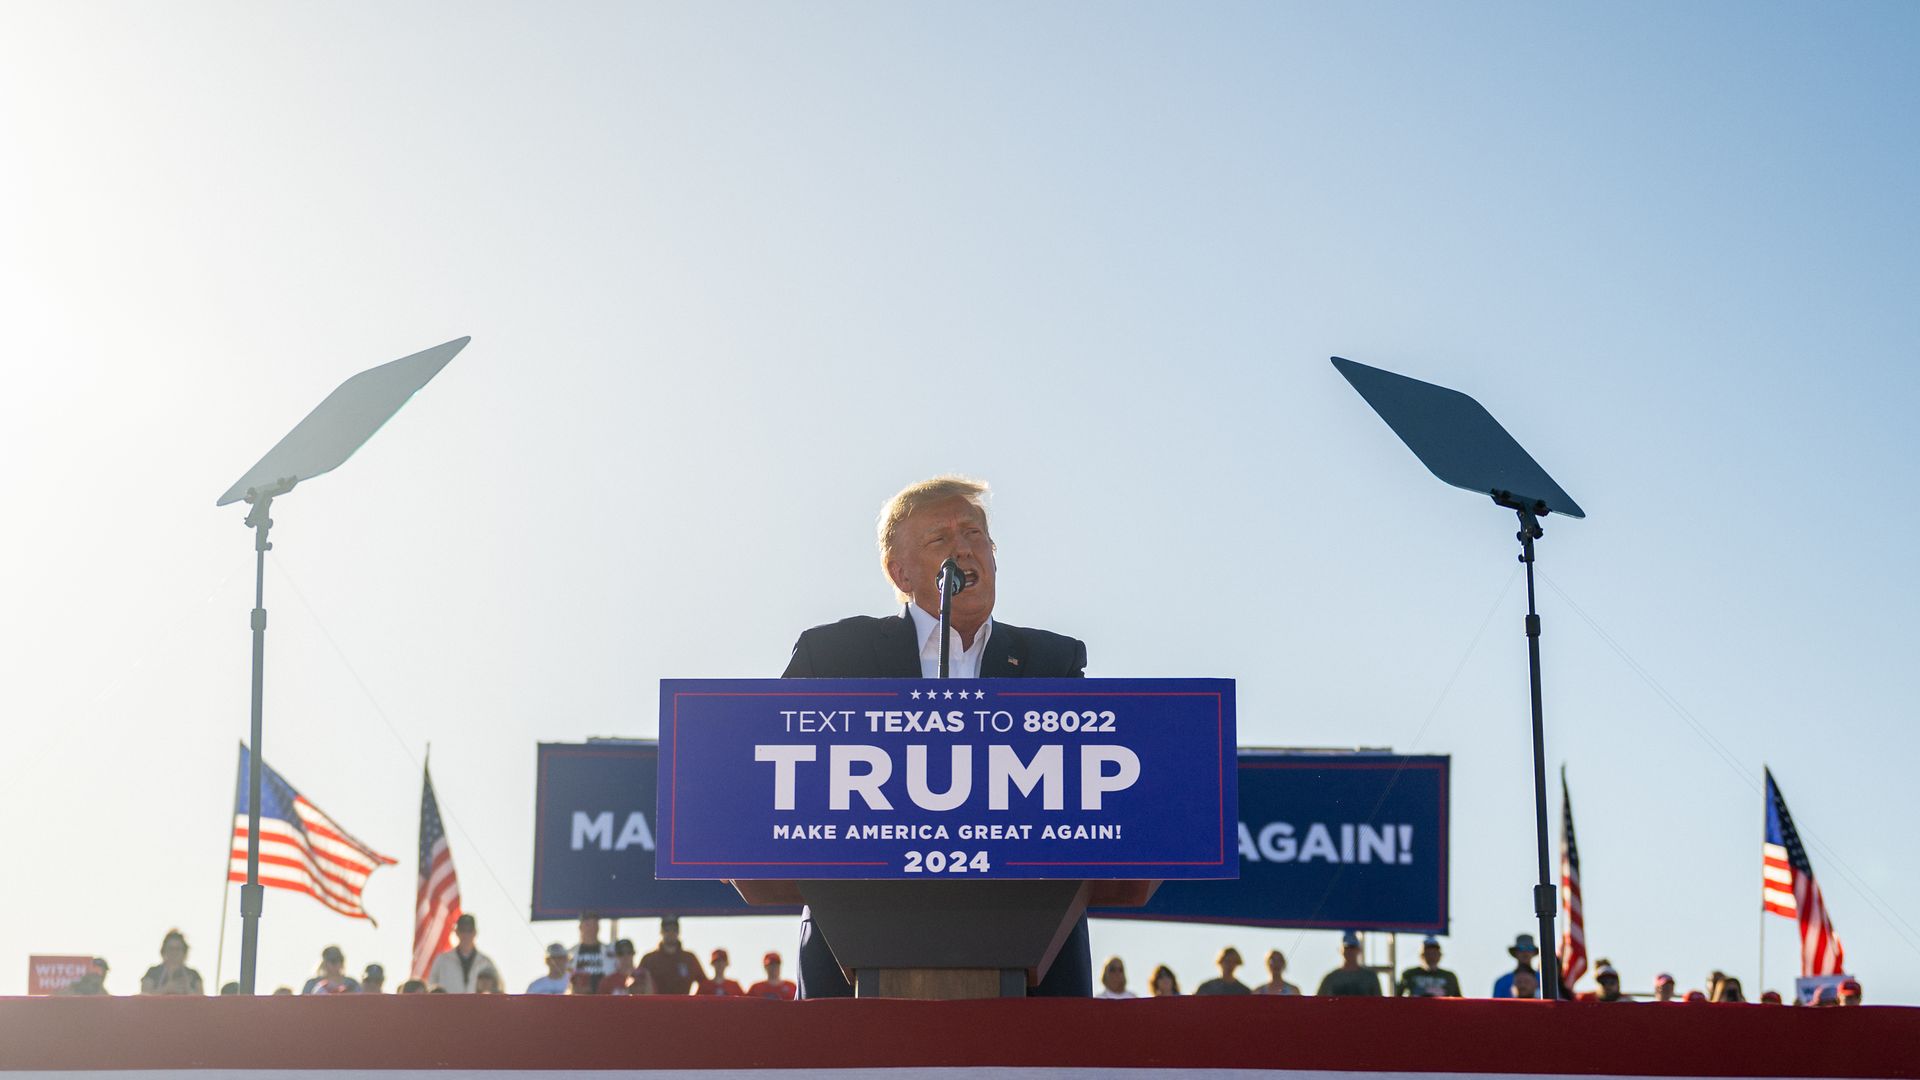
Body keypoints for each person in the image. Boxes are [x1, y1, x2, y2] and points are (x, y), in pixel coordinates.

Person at [782, 476, 1092, 999]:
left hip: (1036, 954)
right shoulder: (835, 656)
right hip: (855, 946)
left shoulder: (1052, 663)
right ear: (898, 571)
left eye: (975, 534)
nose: (965, 547)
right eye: (940, 539)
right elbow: (767, 774)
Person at [427, 914, 500, 993]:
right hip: (449, 1005)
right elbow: (431, 987)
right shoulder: (442, 960)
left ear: (475, 933)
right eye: (462, 930)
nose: (466, 935)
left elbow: (497, 989)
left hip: (477, 1005)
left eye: (469, 931)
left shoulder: (486, 963)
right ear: (456, 932)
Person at [639, 916, 707, 995]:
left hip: (683, 1005)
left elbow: (705, 985)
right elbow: (636, 983)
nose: (671, 933)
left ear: (678, 932)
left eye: (674, 929)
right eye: (667, 930)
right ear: (661, 932)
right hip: (656, 1006)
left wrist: (694, 1002)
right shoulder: (649, 959)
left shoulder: (690, 958)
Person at [1316, 931, 1382, 996]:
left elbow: (1380, 1003)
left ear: (1358, 950)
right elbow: (1318, 1003)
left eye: (1352, 947)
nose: (1350, 951)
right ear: (1341, 950)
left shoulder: (1370, 977)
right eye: (1346, 947)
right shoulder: (1330, 979)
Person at [139, 930, 205, 995]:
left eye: (178, 949)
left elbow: (202, 1001)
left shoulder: (194, 975)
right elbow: (144, 997)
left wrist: (188, 989)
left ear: (184, 952)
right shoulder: (152, 972)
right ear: (164, 951)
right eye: (170, 949)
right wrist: (166, 989)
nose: (174, 953)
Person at [1394, 936, 1461, 998]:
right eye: (1428, 953)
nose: (1431, 956)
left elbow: (1459, 1001)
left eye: (1434, 953)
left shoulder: (1449, 976)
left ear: (1440, 955)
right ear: (1422, 955)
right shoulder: (1409, 974)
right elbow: (1397, 998)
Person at [570, 913, 618, 994]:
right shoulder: (570, 953)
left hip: (605, 997)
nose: (592, 929)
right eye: (588, 925)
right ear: (580, 927)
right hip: (579, 999)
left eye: (595, 925)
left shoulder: (610, 952)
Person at [1490, 934, 1539, 999]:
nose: (1525, 952)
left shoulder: (1543, 980)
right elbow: (1496, 1006)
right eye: (1521, 948)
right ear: (1516, 952)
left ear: (1533, 952)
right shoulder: (1502, 982)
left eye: (1529, 948)